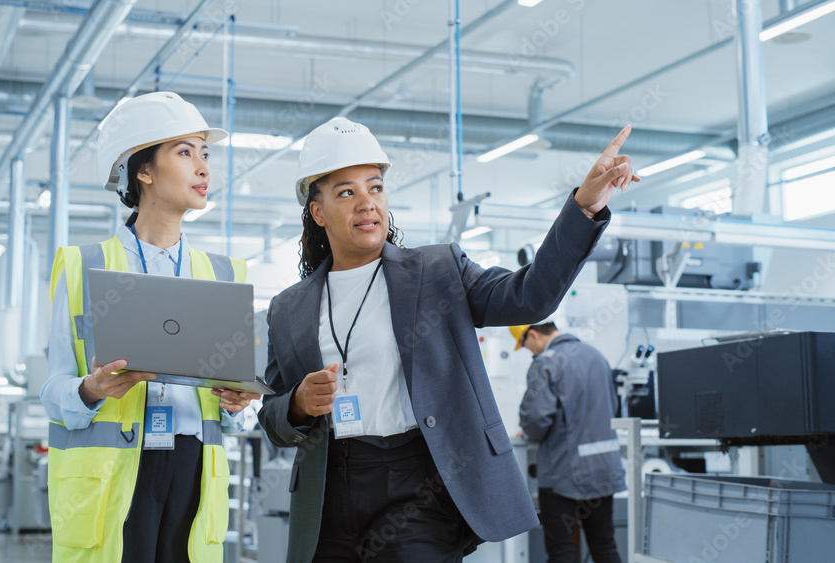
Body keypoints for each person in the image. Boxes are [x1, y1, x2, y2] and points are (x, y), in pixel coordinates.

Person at [257, 116, 640, 562]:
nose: (367, 203)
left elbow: (529, 296)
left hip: (415, 485)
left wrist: (584, 208)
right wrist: (299, 403)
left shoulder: (438, 271)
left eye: (375, 187)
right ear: (318, 211)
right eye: (347, 192)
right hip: (327, 496)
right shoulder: (288, 308)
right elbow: (272, 417)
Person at [40, 91, 260, 562]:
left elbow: (232, 416)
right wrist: (91, 389)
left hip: (194, 471)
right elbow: (53, 390)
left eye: (205, 154)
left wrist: (237, 404)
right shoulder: (84, 267)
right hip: (118, 471)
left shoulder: (224, 274)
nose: (203, 168)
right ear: (143, 170)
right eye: (185, 152)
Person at [514, 321, 626, 563]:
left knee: (562, 550)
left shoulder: (546, 361)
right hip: (604, 470)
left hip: (562, 472)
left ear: (533, 335)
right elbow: (613, 408)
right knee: (604, 546)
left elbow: (535, 419)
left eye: (526, 346)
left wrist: (528, 433)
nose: (530, 351)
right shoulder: (596, 355)